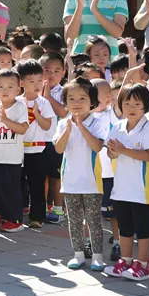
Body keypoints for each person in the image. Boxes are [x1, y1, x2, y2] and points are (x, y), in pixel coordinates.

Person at [103, 83, 149, 281]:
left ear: (145, 106)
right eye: (127, 103)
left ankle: (143, 265)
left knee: (143, 230)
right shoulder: (118, 127)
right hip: (121, 188)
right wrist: (112, 151)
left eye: (137, 103)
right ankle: (125, 261)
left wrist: (123, 150)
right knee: (124, 228)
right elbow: (111, 153)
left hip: (141, 190)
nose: (131, 108)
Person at [53, 77, 107, 271]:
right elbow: (58, 149)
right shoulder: (63, 123)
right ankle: (78, 254)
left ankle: (98, 256)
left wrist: (81, 126)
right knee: (74, 220)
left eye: (82, 98)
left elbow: (98, 146)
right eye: (71, 99)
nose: (76, 103)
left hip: (92, 181)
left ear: (92, 101)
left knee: (93, 220)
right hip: (70, 181)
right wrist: (68, 129)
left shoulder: (97, 121)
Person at [0, 69, 30, 233]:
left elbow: (23, 129)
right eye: (1, 86)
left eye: (10, 87)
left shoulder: (20, 107)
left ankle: (14, 219)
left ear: (18, 89)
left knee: (10, 189)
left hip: (12, 158)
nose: (5, 90)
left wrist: (5, 120)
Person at [16, 59, 56, 229]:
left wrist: (37, 115)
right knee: (17, 183)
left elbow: (49, 126)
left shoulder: (44, 102)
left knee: (37, 184)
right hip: (17, 149)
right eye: (31, 81)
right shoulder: (16, 101)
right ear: (21, 82)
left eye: (39, 80)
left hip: (37, 149)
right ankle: (16, 214)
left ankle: (37, 216)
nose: (36, 84)